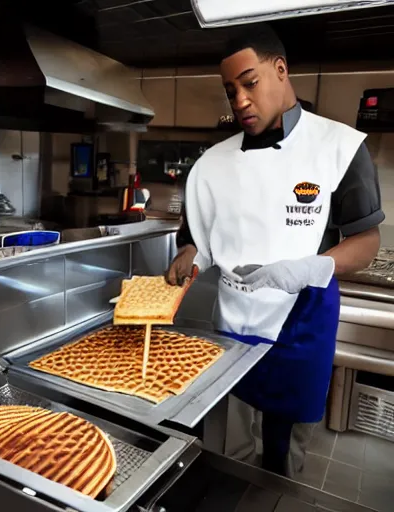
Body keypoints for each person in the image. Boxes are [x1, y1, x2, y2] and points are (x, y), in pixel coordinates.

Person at [166, 24, 384, 478]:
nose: (240, 100)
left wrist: (312, 266)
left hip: (299, 318)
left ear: (280, 70)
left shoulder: (339, 148)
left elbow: (366, 242)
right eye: (231, 91)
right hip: (231, 321)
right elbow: (197, 239)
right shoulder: (211, 165)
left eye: (250, 83)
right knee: (230, 439)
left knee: (283, 454)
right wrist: (189, 254)